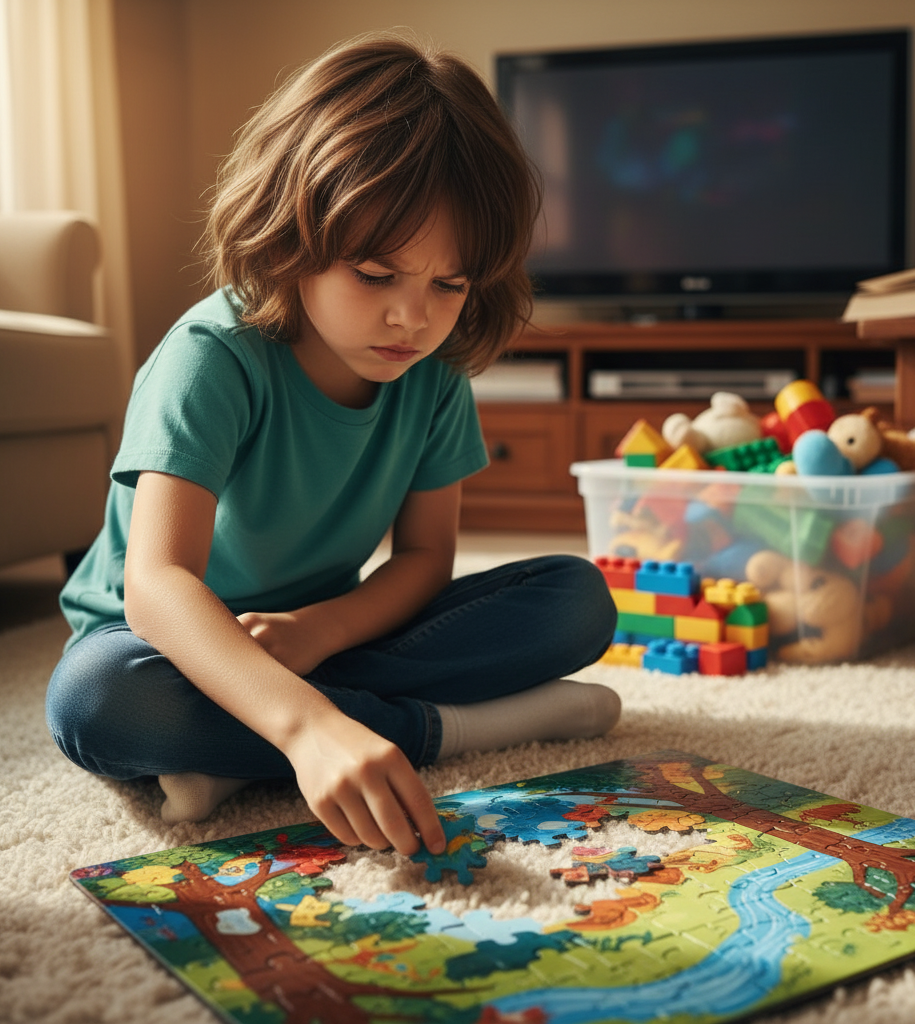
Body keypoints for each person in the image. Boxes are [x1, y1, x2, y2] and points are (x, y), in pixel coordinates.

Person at [45, 34, 619, 858]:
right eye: (377, 275)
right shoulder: (212, 357)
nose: (412, 318)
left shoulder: (433, 372)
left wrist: (318, 633)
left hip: (327, 634)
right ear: (291, 235)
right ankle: (452, 728)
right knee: (96, 703)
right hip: (162, 646)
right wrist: (306, 726)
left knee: (576, 599)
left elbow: (424, 559)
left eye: (448, 284)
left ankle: (234, 753)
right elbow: (157, 586)